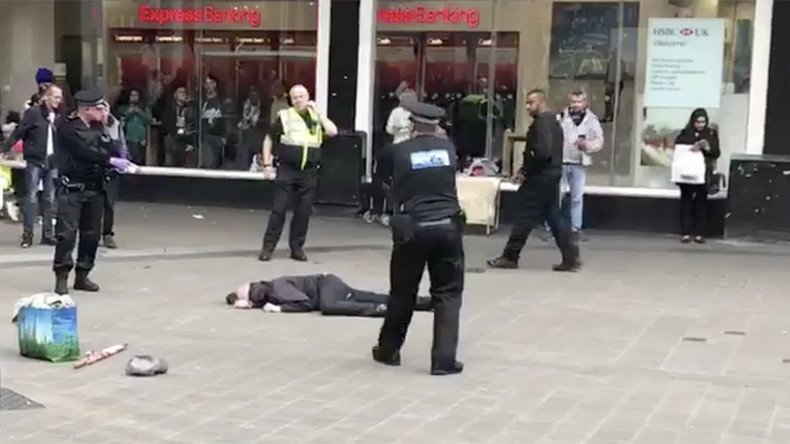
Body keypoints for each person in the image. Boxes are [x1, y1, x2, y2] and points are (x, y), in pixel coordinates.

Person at [372, 101, 466, 376]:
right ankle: (444, 361)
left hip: (412, 228)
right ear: (437, 126)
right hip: (448, 226)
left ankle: (389, 350)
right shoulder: (449, 150)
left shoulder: (397, 152)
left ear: (412, 124)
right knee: (448, 294)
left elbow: (382, 180)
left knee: (402, 292)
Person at [487, 89, 581, 272]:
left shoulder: (542, 123)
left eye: (531, 103)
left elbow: (542, 152)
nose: (528, 107)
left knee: (525, 216)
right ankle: (571, 258)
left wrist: (525, 170)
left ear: (541, 102)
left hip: (540, 177)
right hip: (552, 175)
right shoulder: (554, 122)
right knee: (554, 217)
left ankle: (510, 256)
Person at [53, 88, 136, 295]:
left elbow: (114, 148)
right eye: (100, 109)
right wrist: (109, 160)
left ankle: (83, 274)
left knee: (91, 236)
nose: (103, 112)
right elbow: (85, 152)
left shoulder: (100, 127)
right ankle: (62, 276)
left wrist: (110, 126)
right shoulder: (68, 128)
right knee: (67, 235)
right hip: (72, 189)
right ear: (87, 109)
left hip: (95, 188)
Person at [258, 85, 338, 262]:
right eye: (295, 97)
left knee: (303, 212)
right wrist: (266, 164)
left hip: (309, 171)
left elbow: (332, 131)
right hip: (287, 169)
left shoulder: (316, 117)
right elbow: (269, 139)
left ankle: (297, 248)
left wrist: (319, 113)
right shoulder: (285, 116)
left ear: (308, 97)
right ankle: (268, 247)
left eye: (301, 96)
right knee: (278, 210)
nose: (298, 100)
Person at [0, 85, 64, 248]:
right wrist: (4, 149)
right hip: (35, 159)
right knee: (31, 197)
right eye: (56, 97)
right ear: (46, 97)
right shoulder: (34, 113)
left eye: (60, 97)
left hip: (53, 160)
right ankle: (27, 234)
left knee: (50, 199)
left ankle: (48, 234)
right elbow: (19, 132)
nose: (59, 100)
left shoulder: (59, 115)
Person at [542, 88, 604, 242]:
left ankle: (575, 228)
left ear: (585, 102)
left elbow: (599, 141)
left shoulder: (591, 120)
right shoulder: (560, 117)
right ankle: (551, 228)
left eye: (579, 101)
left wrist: (588, 145)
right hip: (560, 162)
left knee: (577, 197)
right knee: (556, 195)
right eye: (573, 101)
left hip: (579, 163)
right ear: (569, 102)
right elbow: (549, 135)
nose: (576, 105)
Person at [225, 273, 432, 317]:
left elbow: (304, 303)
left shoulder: (278, 287)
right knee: (370, 295)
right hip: (329, 285)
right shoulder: (271, 291)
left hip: (326, 285)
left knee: (329, 306)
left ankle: (377, 311)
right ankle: (421, 303)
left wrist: (279, 309)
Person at [674, 108, 720, 244]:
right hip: (687, 173)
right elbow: (678, 148)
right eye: (698, 122)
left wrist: (707, 148)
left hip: (703, 173)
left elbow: (716, 152)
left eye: (703, 122)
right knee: (686, 202)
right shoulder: (685, 133)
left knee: (701, 203)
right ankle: (686, 232)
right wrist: (690, 148)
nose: (700, 125)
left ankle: (700, 233)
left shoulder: (710, 134)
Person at [98, 101, 128, 250]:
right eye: (100, 109)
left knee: (109, 204)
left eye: (105, 109)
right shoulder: (92, 125)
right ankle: (94, 233)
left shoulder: (115, 124)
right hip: (97, 168)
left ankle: (107, 235)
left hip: (113, 169)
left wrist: (125, 160)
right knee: (95, 203)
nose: (103, 112)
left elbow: (121, 144)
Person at [117, 89, 153, 164]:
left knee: (140, 161)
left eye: (135, 95)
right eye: (132, 95)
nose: (134, 98)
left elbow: (149, 121)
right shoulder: (122, 108)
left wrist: (140, 112)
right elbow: (120, 121)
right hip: (128, 138)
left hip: (141, 140)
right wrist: (128, 113)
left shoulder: (144, 108)